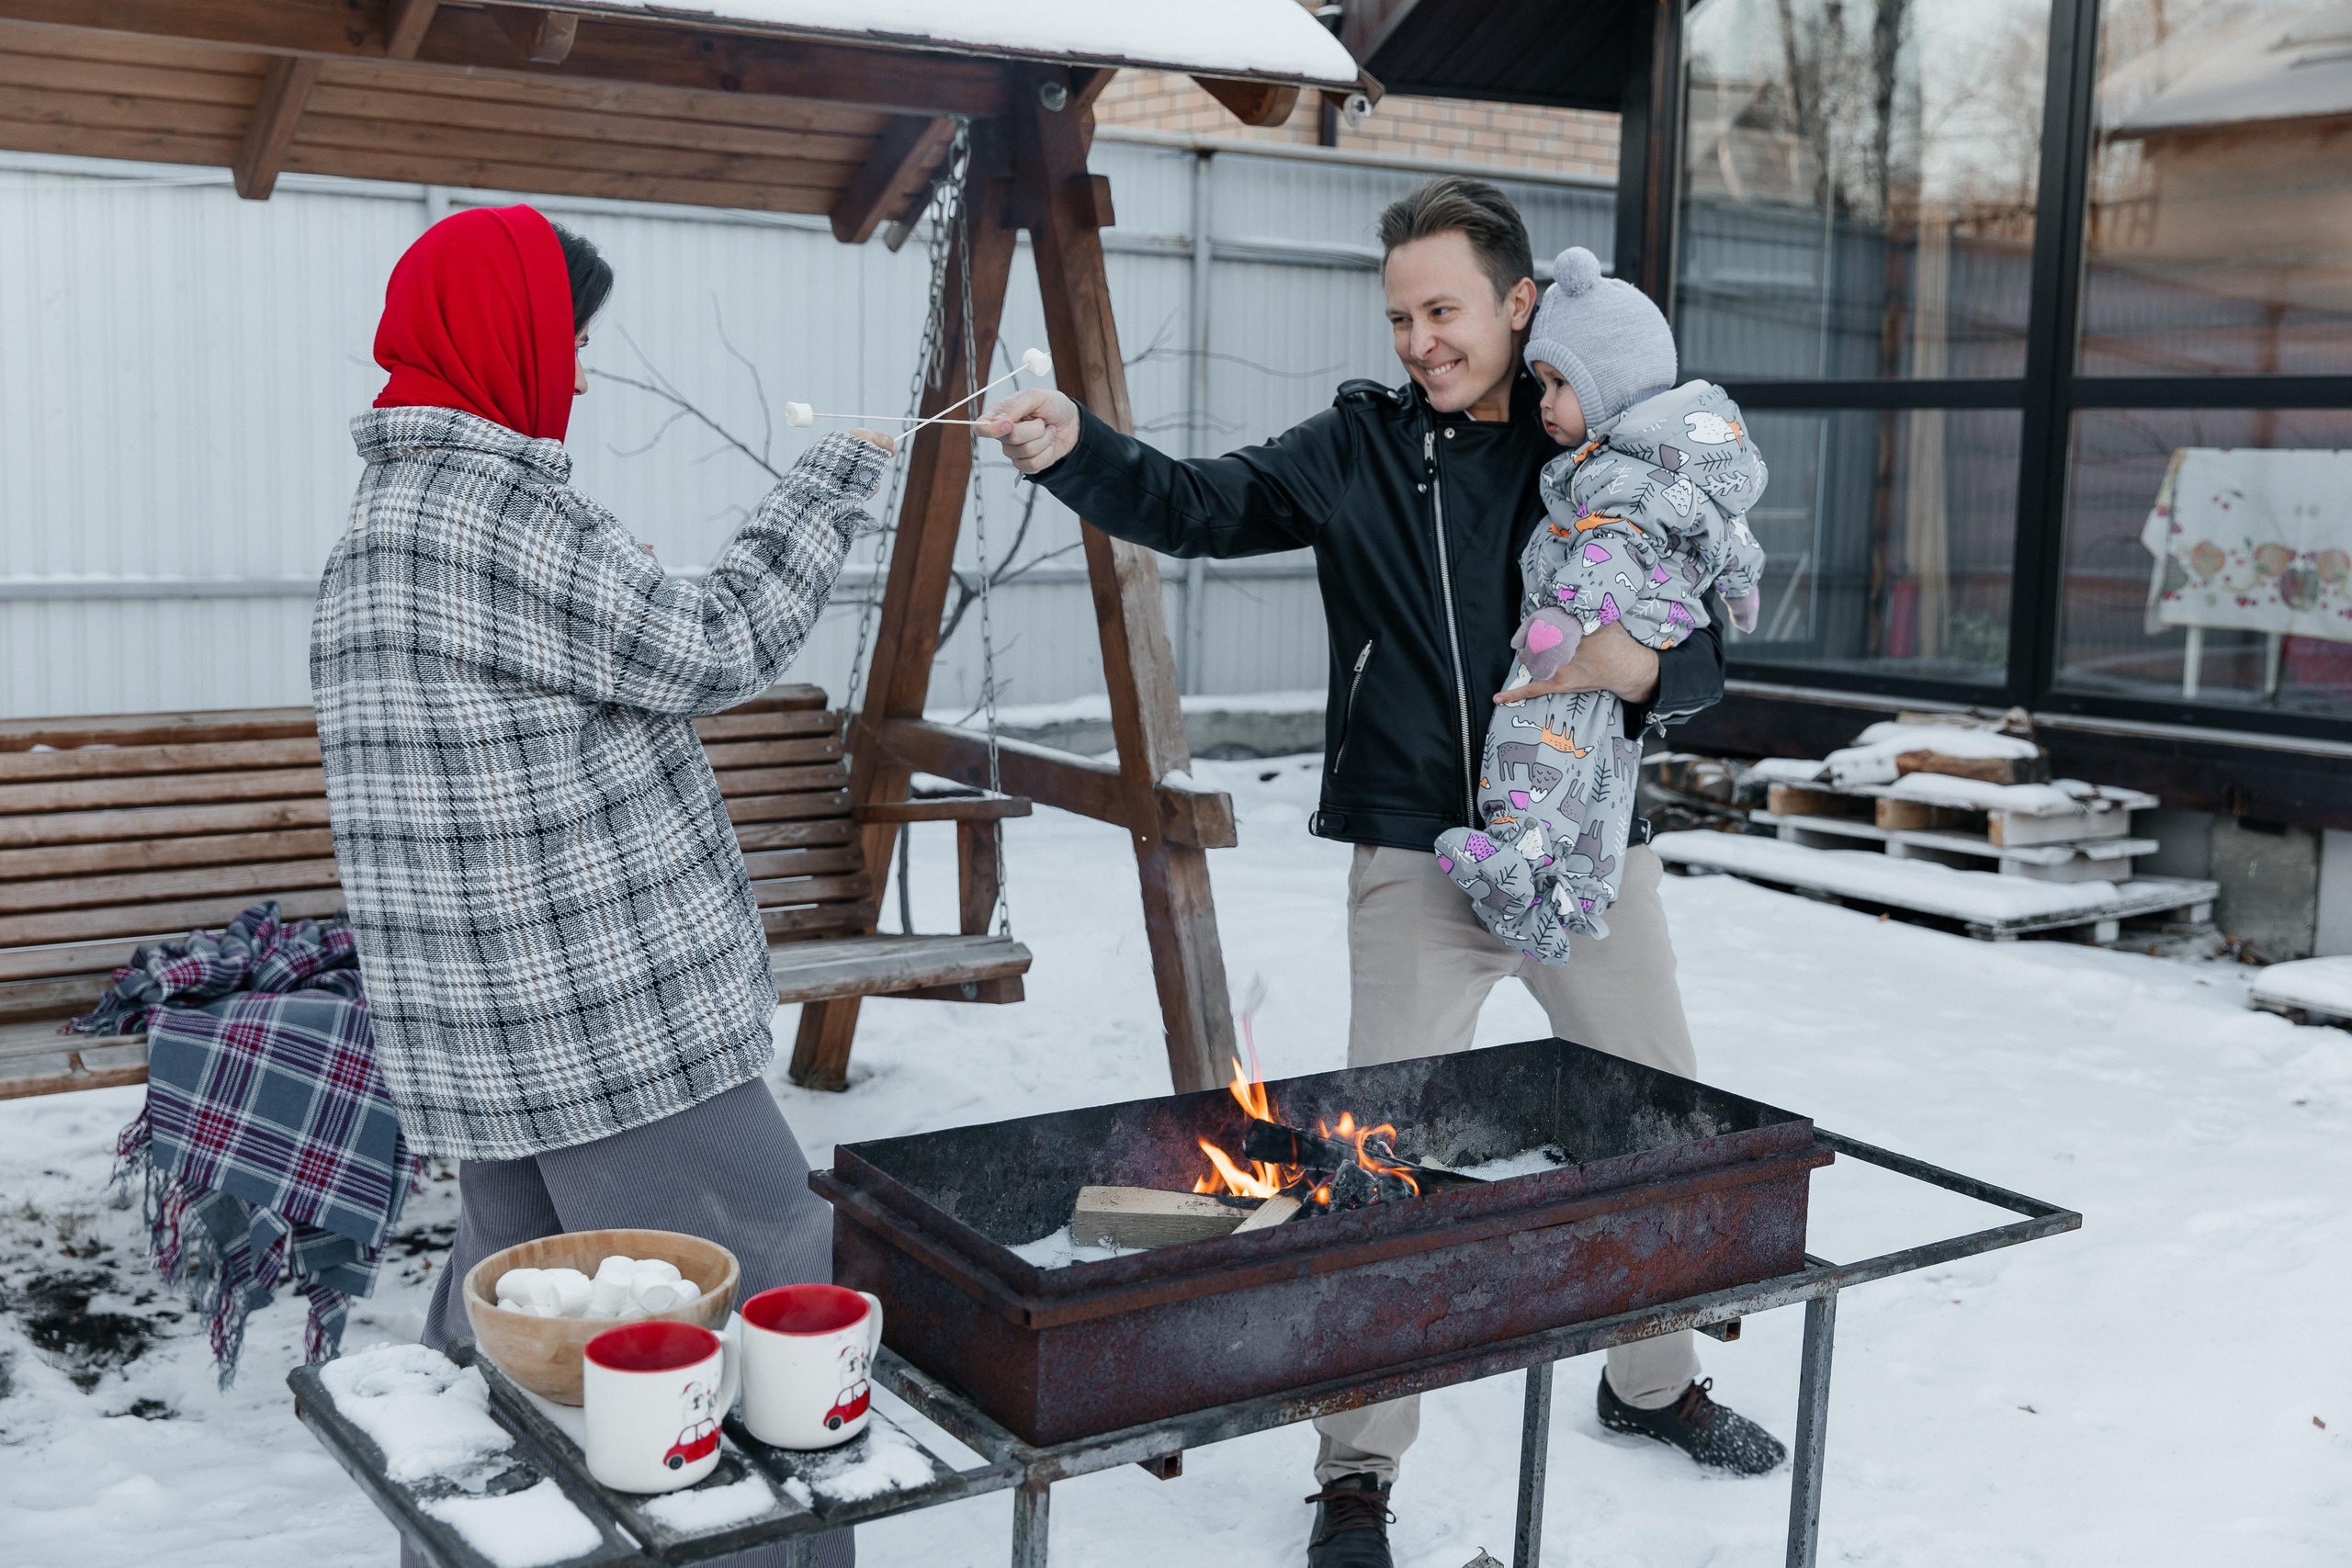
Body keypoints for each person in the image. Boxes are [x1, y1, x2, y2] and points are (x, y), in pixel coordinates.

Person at [980, 178, 1784, 1568]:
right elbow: (1197, 502)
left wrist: (1638, 665)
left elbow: (1700, 628)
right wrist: (1073, 451)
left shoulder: (1594, 438)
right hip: (1420, 853)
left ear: (1520, 302)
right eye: (1402, 313)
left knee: (1657, 1120)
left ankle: (1651, 1379)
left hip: (1589, 845)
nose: (1420, 337)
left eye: (1445, 309)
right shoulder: (1358, 447)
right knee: (1379, 1158)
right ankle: (1357, 1466)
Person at [311, 204, 895, 1568]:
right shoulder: (489, 513)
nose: (572, 366)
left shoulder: (388, 516)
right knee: (752, 1315)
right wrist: (826, 487)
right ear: (500, 336)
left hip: (490, 1039)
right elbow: (712, 641)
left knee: (524, 1340)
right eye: (562, 335)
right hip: (606, 1027)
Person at [1435, 244, 1769, 964]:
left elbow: (1608, 550)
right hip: (1642, 628)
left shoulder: (1616, 475)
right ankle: (1574, 896)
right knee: (1602, 774)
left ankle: (1515, 857)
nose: (1545, 402)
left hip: (1594, 623)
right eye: (1542, 382)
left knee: (1533, 735)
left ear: (1613, 387)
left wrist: (1561, 621)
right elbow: (1731, 537)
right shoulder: (1694, 463)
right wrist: (1742, 588)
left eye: (1558, 385)